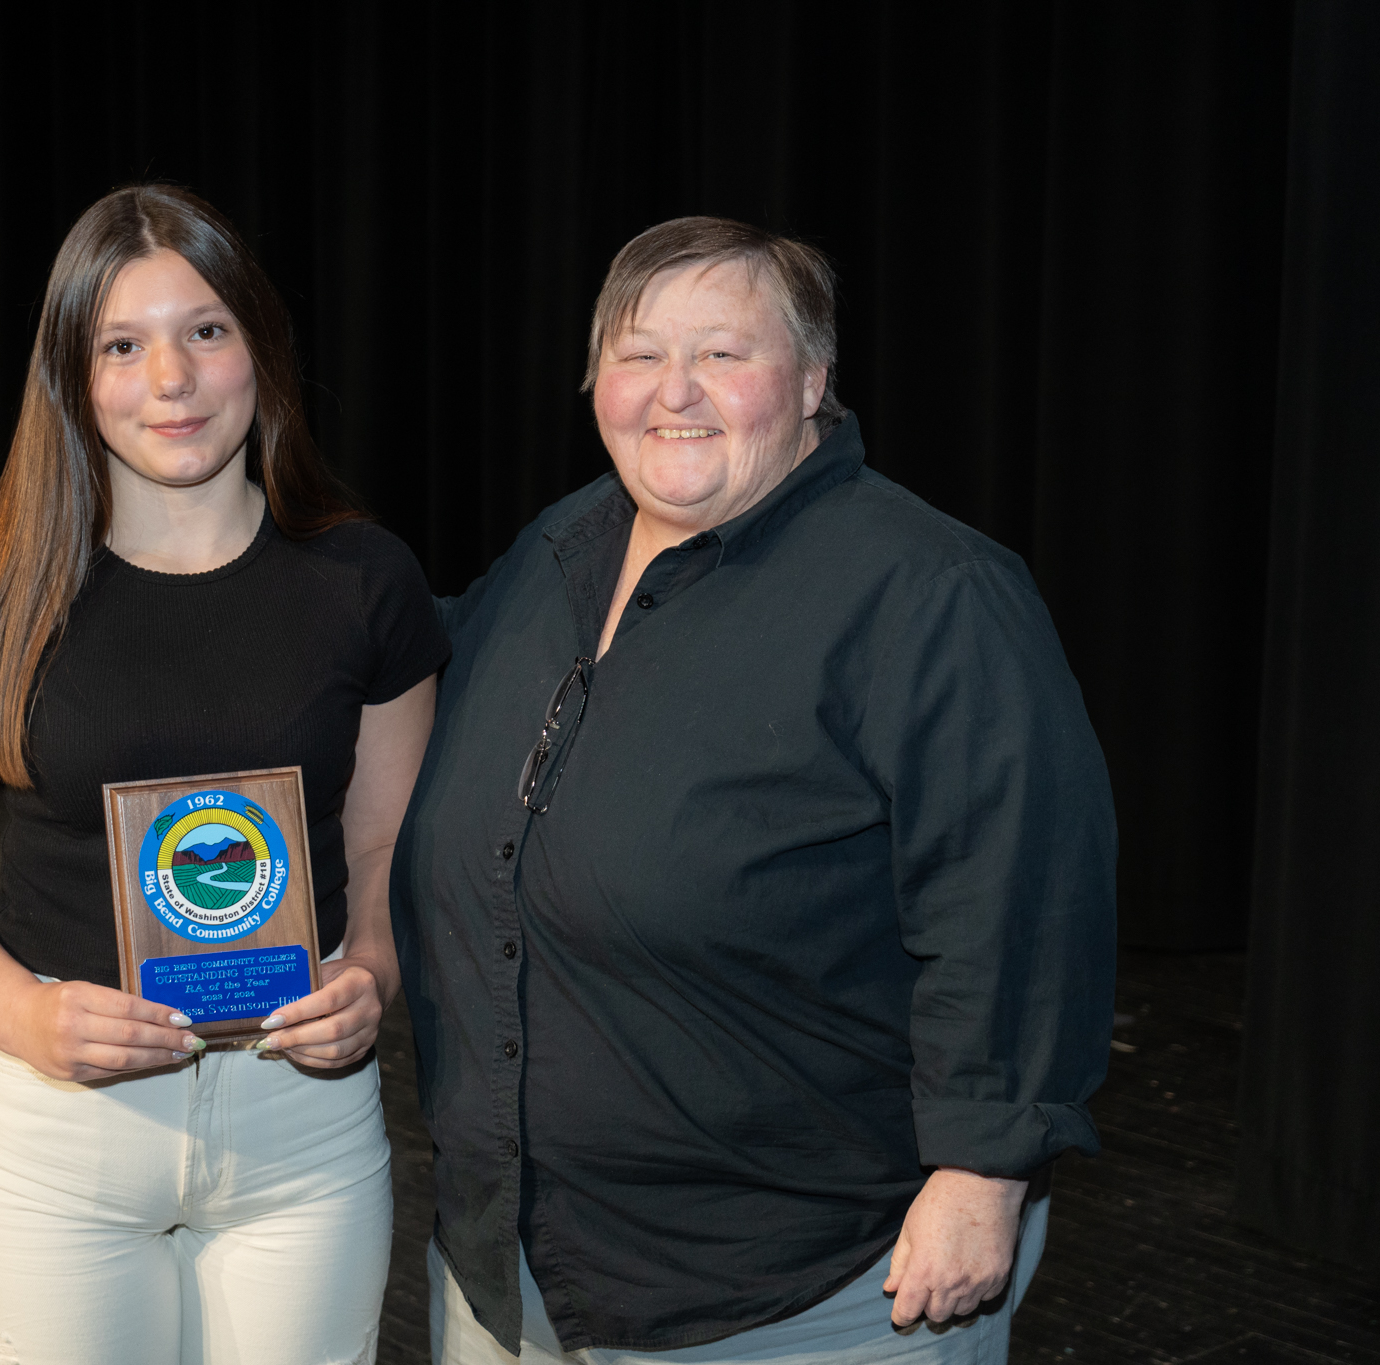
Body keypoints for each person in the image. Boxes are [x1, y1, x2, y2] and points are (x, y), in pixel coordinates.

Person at [392, 216, 1117, 1363]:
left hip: (801, 1289)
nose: (673, 390)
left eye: (723, 353)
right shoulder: (556, 551)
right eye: (636, 355)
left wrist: (981, 1174)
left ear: (814, 378)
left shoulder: (932, 597)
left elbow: (1018, 900)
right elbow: (401, 691)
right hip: (515, 1266)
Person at [0, 184, 447, 1365]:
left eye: (205, 331)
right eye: (121, 346)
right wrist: (25, 1016)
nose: (169, 380)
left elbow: (384, 847)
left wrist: (371, 974)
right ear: (71, 377)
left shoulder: (365, 583)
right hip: (56, 1135)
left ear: (260, 351)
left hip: (303, 1128)